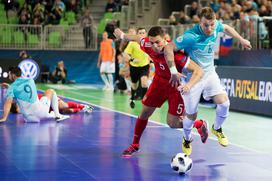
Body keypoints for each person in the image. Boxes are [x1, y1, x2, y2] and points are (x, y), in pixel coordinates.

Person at [165, 7, 252, 155]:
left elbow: (226, 27)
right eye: (206, 25)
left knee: (224, 103)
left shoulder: (216, 25)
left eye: (212, 24)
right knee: (191, 115)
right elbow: (168, 47)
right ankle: (186, 138)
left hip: (210, 73)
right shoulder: (191, 36)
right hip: (192, 77)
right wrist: (173, 71)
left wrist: (241, 39)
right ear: (200, 22)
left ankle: (217, 128)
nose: (210, 28)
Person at [114, 26, 208, 157]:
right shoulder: (147, 44)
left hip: (175, 87)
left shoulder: (177, 56)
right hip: (158, 83)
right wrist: (123, 35)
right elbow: (138, 38)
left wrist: (189, 86)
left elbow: (199, 71)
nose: (154, 46)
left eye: (157, 42)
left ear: (165, 40)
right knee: (144, 113)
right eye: (151, 42)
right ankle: (135, 144)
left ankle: (199, 124)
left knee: (173, 123)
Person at [0, 67, 70, 123]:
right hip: (42, 112)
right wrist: (10, 87)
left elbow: (8, 102)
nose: (9, 76)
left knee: (40, 111)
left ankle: (54, 114)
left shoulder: (12, 88)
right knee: (50, 91)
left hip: (30, 119)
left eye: (9, 74)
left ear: (13, 75)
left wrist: (4, 118)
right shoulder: (31, 80)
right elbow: (22, 89)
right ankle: (57, 115)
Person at [123, 28, 150, 108]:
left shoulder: (148, 43)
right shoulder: (132, 43)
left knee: (144, 83)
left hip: (144, 66)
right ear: (137, 34)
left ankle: (145, 100)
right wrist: (132, 59)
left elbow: (151, 53)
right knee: (134, 85)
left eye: (143, 33)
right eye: (140, 33)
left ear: (145, 34)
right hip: (134, 67)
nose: (142, 34)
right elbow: (125, 54)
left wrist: (151, 62)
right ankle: (132, 98)